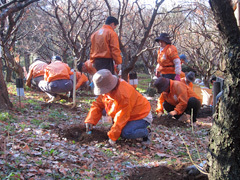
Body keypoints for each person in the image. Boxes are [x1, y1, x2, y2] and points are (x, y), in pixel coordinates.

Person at [84, 69, 153, 146]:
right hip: (130, 114)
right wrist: (90, 120)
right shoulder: (107, 89)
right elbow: (98, 104)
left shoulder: (124, 95)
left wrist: (112, 138)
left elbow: (122, 117)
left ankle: (147, 132)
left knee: (126, 133)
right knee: (118, 131)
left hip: (141, 115)